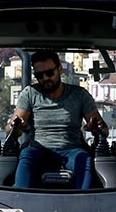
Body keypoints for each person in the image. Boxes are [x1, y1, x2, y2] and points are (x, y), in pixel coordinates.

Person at [10, 50, 107, 189]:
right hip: (39, 149)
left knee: (85, 159)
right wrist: (16, 126)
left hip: (71, 149)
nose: (45, 78)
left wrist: (96, 128)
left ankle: (83, 203)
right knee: (26, 156)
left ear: (60, 69)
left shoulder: (79, 95)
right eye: (39, 75)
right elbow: (11, 127)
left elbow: (104, 129)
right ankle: (19, 202)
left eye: (49, 73)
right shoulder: (30, 93)